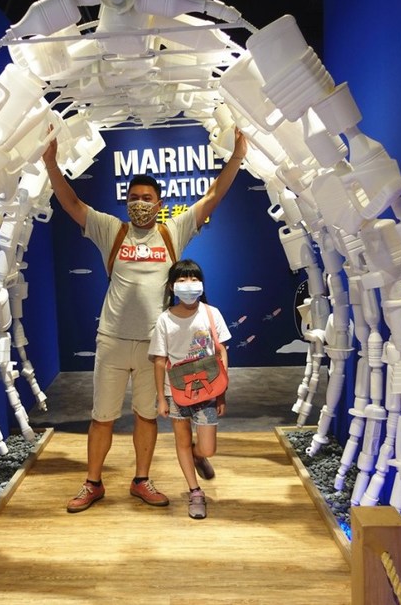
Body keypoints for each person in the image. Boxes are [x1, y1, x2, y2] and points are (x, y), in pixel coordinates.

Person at [42, 127, 247, 513]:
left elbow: (212, 196)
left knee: (146, 415)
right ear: (125, 202)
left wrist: (236, 157)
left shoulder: (173, 231)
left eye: (146, 198)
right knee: (102, 417)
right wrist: (51, 164)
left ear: (159, 202)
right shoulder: (110, 230)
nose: (139, 204)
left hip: (156, 347)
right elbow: (71, 203)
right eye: (133, 198)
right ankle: (92, 483)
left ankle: (141, 480)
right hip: (113, 340)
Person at [148, 259, 230, 519]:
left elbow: (221, 351)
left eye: (194, 279)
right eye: (182, 280)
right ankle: (195, 491)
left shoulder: (211, 313)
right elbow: (159, 360)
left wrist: (222, 392)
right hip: (175, 390)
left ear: (202, 283)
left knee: (208, 448)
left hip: (208, 389)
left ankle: (199, 456)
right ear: (172, 287)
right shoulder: (164, 319)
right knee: (182, 440)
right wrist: (161, 398)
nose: (188, 284)